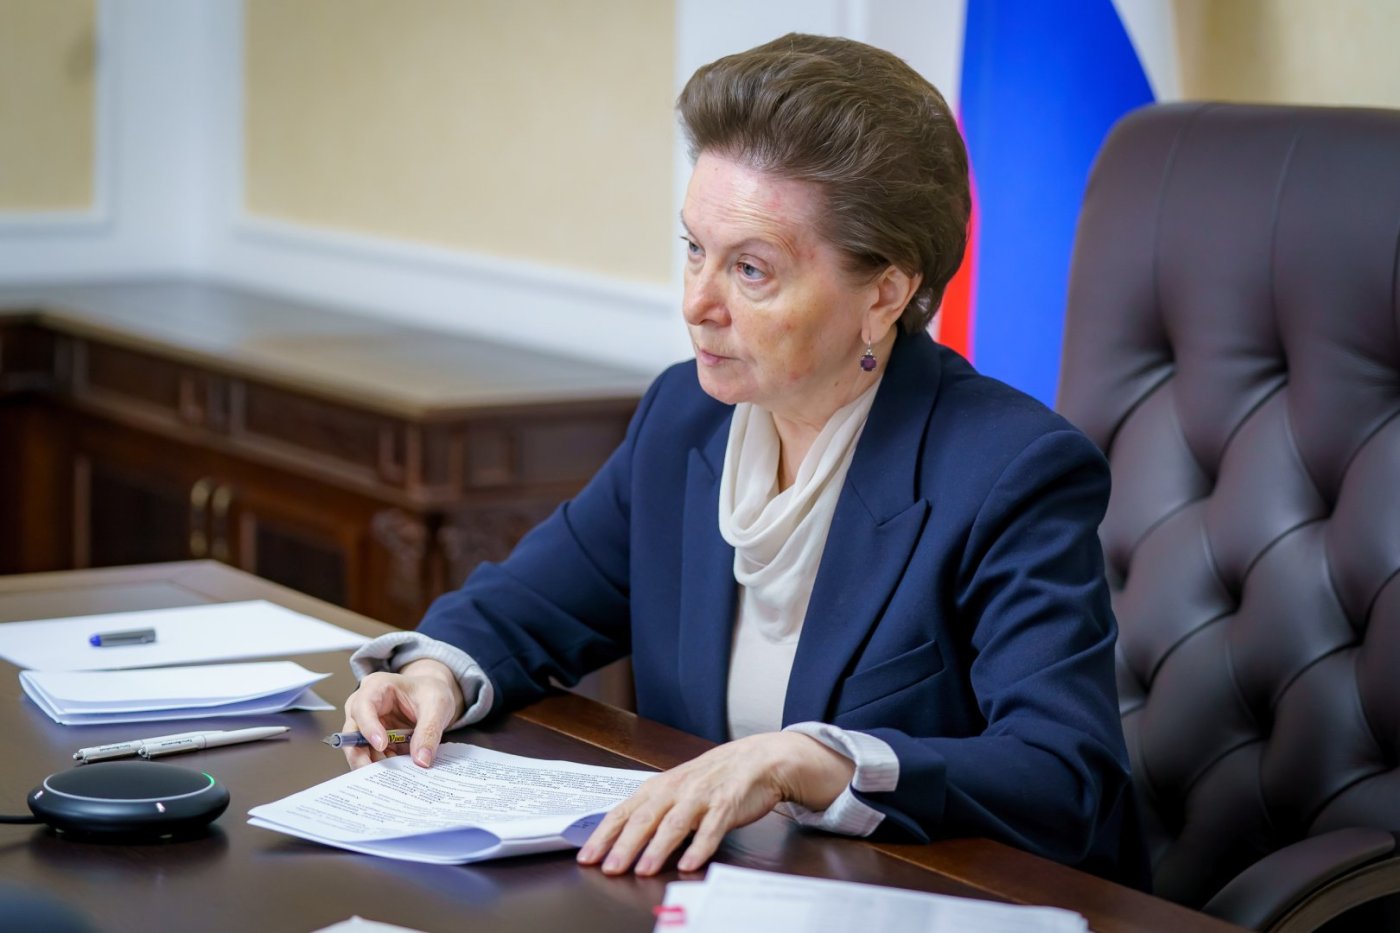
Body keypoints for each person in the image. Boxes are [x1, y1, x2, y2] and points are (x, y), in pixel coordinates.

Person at [342, 33, 1145, 887]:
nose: (697, 302)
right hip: (715, 892)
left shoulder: (1008, 470)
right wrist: (432, 672)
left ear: (885, 292)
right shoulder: (685, 418)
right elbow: (523, 608)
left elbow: (1064, 775)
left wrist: (811, 760)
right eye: (694, 248)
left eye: (751, 269)